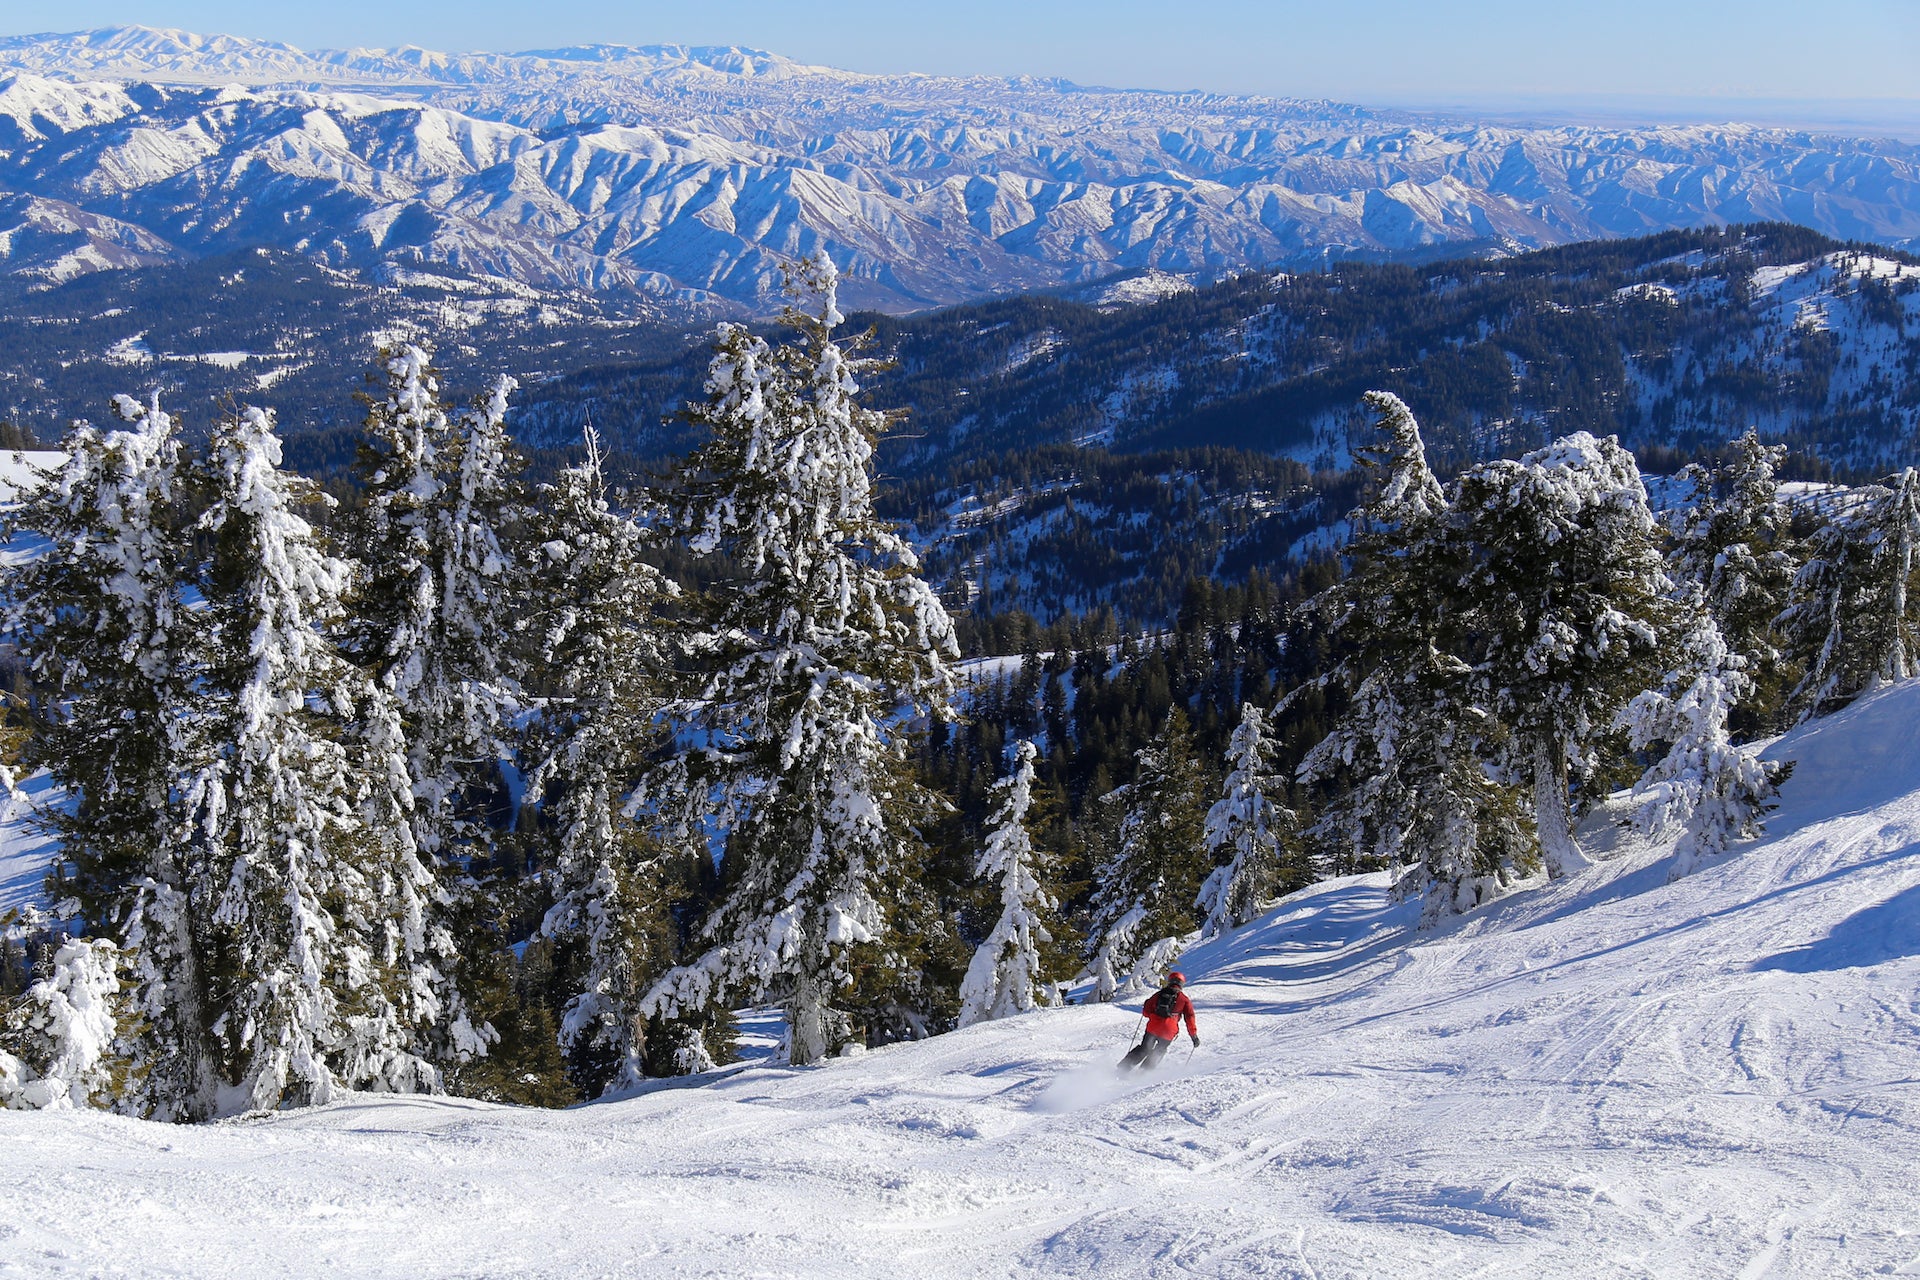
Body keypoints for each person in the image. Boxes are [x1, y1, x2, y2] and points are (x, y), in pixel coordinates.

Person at [1117, 970, 1199, 1073]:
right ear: (1182, 984)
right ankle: (1142, 1073)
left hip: (1153, 1027)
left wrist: (1154, 1015)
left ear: (1169, 981)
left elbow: (1146, 1011)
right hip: (1168, 1031)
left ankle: (1123, 1069)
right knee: (1159, 1051)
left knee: (1144, 1048)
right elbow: (1190, 1017)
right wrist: (1193, 1036)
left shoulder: (1159, 994)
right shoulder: (1184, 999)